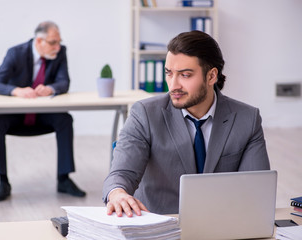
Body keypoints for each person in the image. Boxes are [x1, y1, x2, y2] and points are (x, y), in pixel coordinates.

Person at [102, 31, 270, 216]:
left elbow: (256, 191)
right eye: (169, 73)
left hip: (222, 224)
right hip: (160, 227)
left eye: (185, 75)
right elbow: (122, 173)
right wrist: (117, 193)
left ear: (211, 76)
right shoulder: (144, 114)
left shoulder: (247, 119)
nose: (173, 85)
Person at [0, 21, 86, 201]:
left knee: (64, 119)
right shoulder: (15, 53)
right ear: (39, 41)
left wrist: (50, 88)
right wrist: (16, 90)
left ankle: (63, 179)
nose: (57, 47)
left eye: (59, 42)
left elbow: (64, 82)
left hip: (42, 113)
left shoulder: (60, 52)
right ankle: (2, 181)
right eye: (52, 43)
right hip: (15, 115)